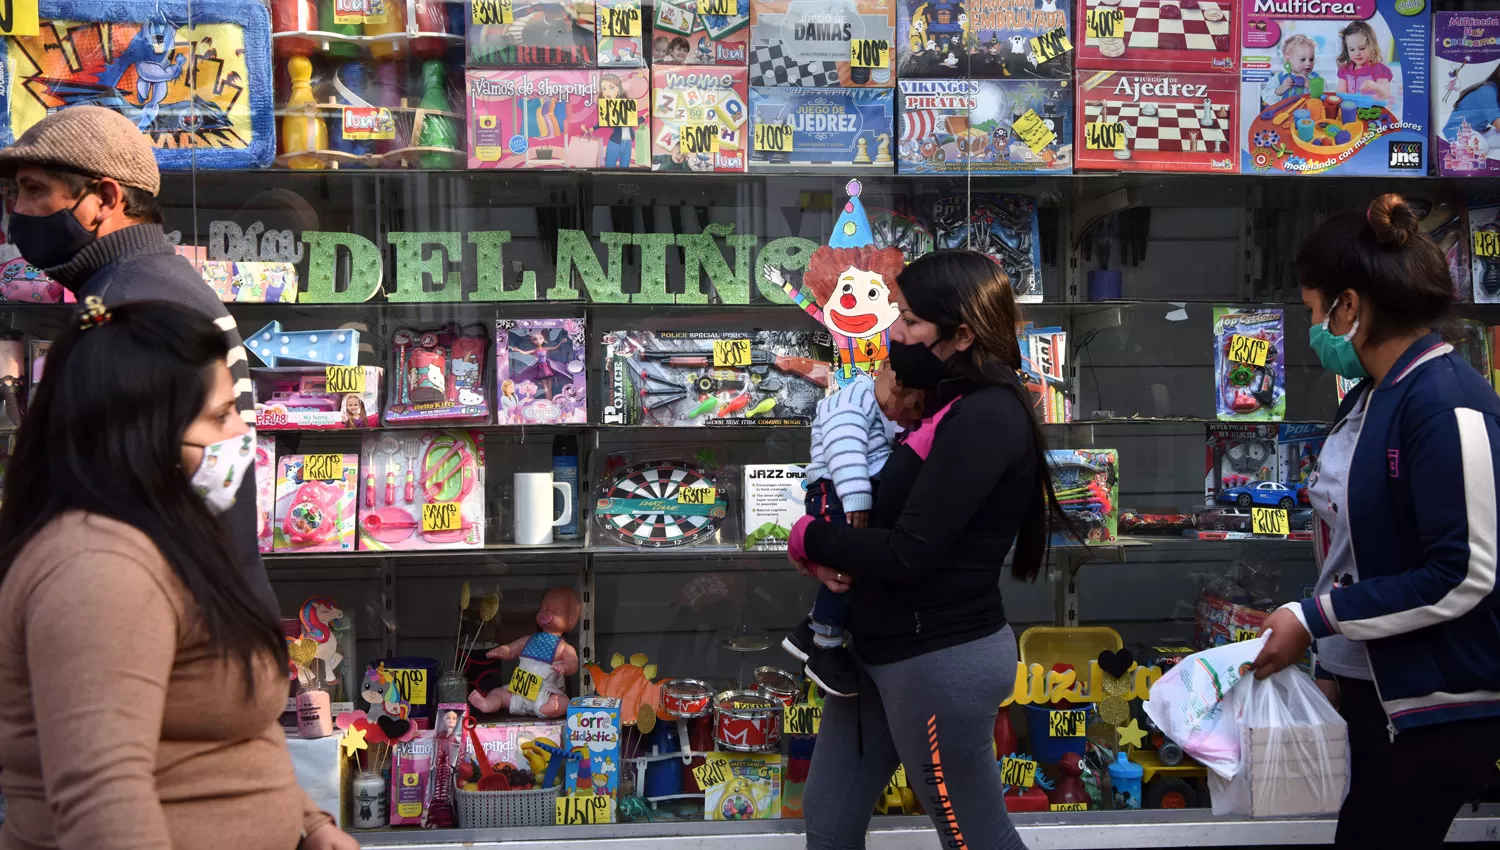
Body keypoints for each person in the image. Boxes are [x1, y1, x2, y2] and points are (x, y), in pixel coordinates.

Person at [0, 299, 358, 850]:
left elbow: (225, 735)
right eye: (220, 416)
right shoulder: (99, 571)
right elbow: (104, 802)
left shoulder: (171, 540)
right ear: (143, 435)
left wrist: (308, 824)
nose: (242, 429)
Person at [787, 249, 1070, 850]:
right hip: (880, 653)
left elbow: (909, 552)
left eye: (910, 321)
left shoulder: (987, 416)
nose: (894, 332)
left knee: (971, 833)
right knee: (830, 817)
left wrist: (809, 536)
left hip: (939, 660)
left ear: (962, 334)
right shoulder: (944, 406)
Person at [1253, 194, 1500, 850]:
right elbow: (1359, 550)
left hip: (1431, 713)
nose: (1313, 332)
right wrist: (1332, 659)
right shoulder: (1372, 397)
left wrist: (1315, 619)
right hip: (1376, 699)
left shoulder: (1445, 404)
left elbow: (1464, 572)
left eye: (1314, 312)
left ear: (1350, 307)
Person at [0, 105, 272, 615]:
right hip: (199, 614)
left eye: (35, 190)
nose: (18, 210)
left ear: (104, 198)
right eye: (15, 192)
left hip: (163, 626)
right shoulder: (139, 286)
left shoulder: (127, 308)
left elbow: (109, 496)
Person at [782, 367, 921, 696]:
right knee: (845, 568)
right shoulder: (853, 398)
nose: (899, 409)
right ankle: (825, 647)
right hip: (838, 493)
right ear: (884, 368)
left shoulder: (877, 403)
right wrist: (856, 494)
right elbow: (844, 445)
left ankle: (807, 633)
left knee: (852, 568)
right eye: (898, 395)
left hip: (847, 493)